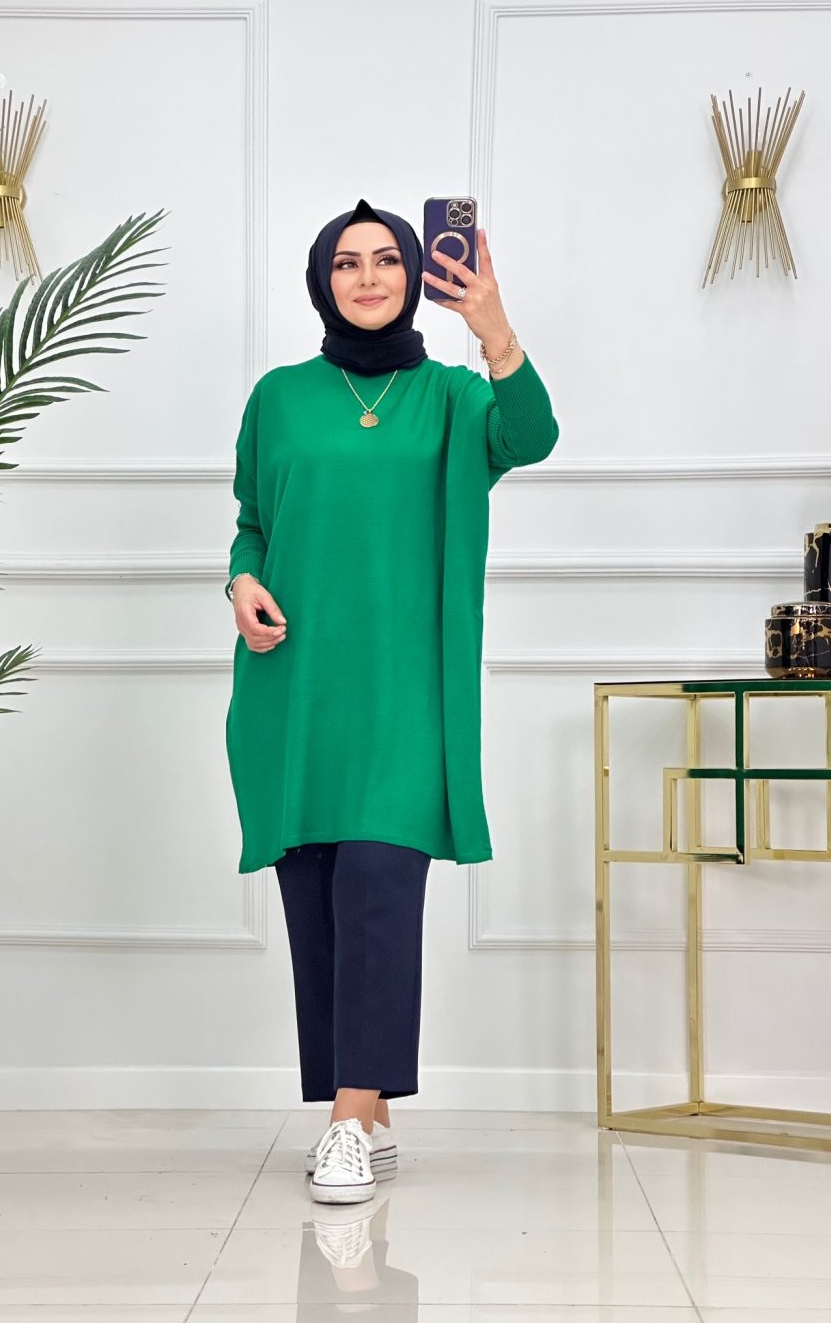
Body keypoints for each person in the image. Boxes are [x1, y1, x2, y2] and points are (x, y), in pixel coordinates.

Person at [224, 197, 559, 1204]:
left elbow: (533, 434)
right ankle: (366, 1115)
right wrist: (241, 581)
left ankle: (342, 1119)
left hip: (408, 687)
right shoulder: (280, 397)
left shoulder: (453, 396)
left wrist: (493, 325)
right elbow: (251, 520)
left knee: (377, 880)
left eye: (385, 260)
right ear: (321, 281)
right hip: (298, 680)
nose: (366, 278)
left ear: (416, 275)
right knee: (318, 890)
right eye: (345, 263)